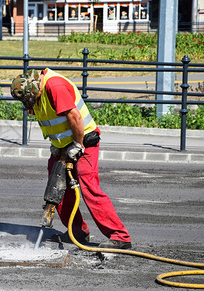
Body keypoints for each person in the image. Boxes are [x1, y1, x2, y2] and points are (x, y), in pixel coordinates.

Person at [10, 69, 132, 249]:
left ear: (34, 89)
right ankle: (78, 232)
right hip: (62, 145)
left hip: (84, 140)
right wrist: (57, 145)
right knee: (57, 187)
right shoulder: (35, 89)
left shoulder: (55, 86)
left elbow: (74, 116)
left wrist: (78, 144)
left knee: (88, 186)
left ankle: (120, 237)